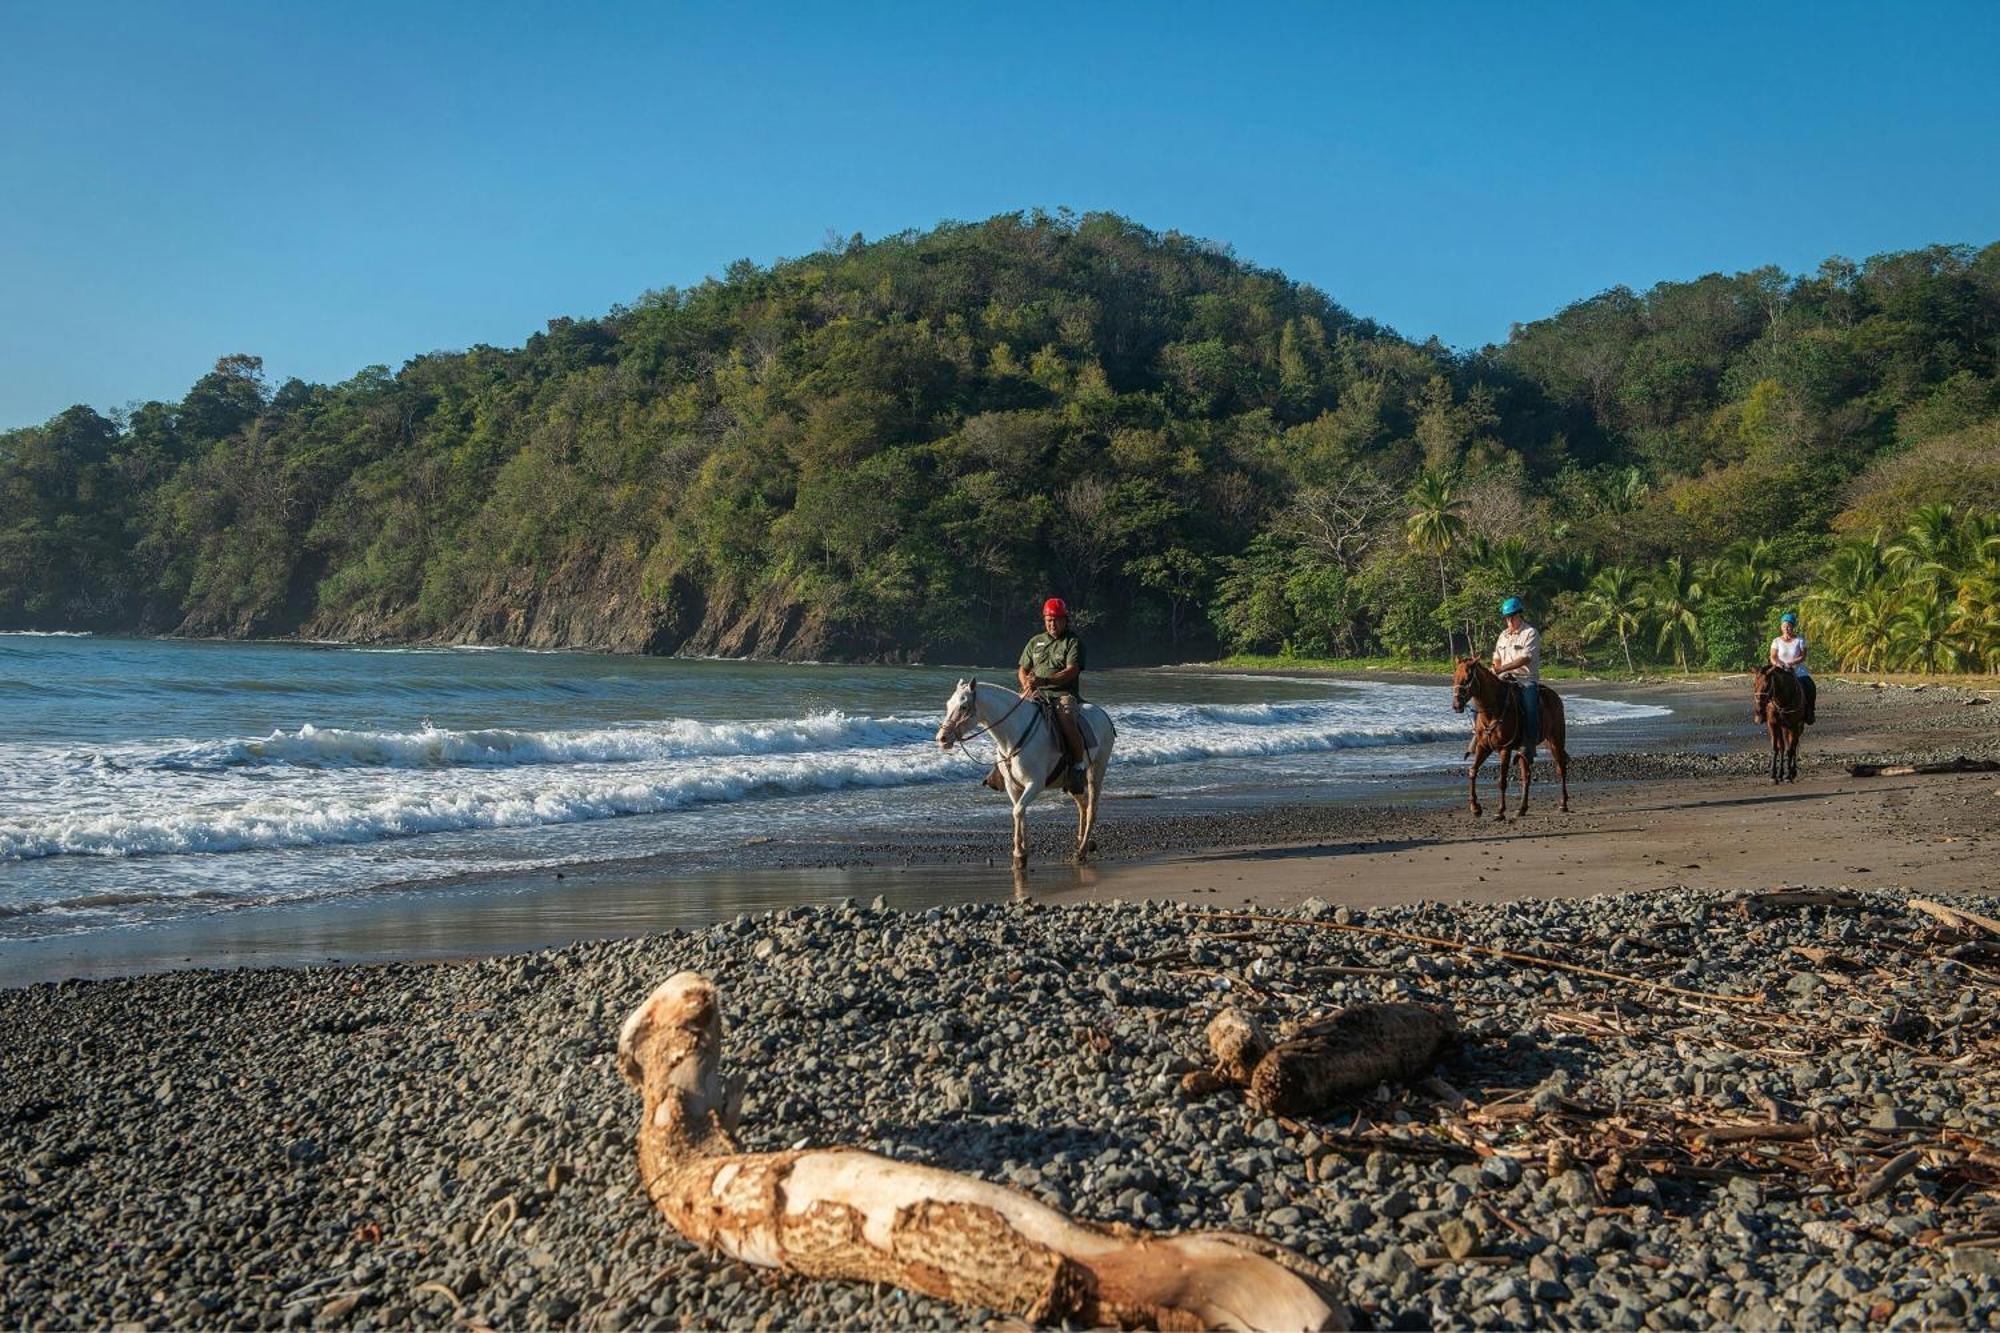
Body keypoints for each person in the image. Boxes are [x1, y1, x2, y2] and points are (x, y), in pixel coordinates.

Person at [1019, 597, 1088, 791]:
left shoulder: (1073, 642)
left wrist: (1046, 681)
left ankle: (1077, 767)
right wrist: (1026, 684)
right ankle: (1001, 768)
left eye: (1057, 620)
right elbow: (1022, 669)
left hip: (1062, 694)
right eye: (1049, 620)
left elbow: (1071, 671)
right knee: (1009, 716)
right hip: (1034, 693)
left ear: (1065, 620)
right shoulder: (1035, 641)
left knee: (1066, 720)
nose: (1052, 624)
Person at [1491, 596, 1541, 745]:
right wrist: (1495, 667)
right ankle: (1479, 735)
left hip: (1525, 678)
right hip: (1504, 678)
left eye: (1512, 617)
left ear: (1519, 614)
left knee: (1530, 706)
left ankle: (1530, 743)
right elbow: (1497, 657)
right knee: (1479, 701)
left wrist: (1502, 668)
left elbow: (1525, 658)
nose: (1509, 621)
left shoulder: (1530, 633)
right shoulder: (1503, 636)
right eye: (1507, 618)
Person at [1770, 611, 1815, 724]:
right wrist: (1779, 664)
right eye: (1784, 626)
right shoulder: (1776, 641)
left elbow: (1803, 656)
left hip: (1797, 671)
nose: (1786, 628)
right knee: (1766, 687)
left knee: (1810, 686)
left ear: (1793, 627)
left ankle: (1809, 711)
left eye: (1789, 626)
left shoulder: (1800, 640)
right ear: (1781, 627)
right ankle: (1764, 712)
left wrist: (1792, 663)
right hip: (1780, 671)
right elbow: (1773, 657)